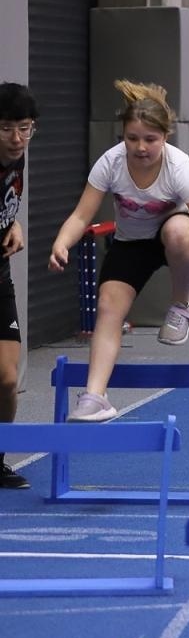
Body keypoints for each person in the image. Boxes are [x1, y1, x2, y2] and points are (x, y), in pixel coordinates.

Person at [49, 81, 189, 421]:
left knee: (178, 232)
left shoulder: (178, 166)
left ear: (166, 137)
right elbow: (82, 215)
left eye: (150, 139)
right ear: (123, 136)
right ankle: (95, 396)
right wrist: (61, 242)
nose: (140, 147)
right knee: (108, 307)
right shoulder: (111, 163)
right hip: (131, 244)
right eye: (132, 138)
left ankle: (181, 304)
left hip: (174, 234)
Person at [0, 85, 36, 483]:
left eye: (24, 128)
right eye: (6, 128)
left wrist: (14, 224)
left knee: (8, 378)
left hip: (0, 275)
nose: (16, 138)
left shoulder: (17, 157)